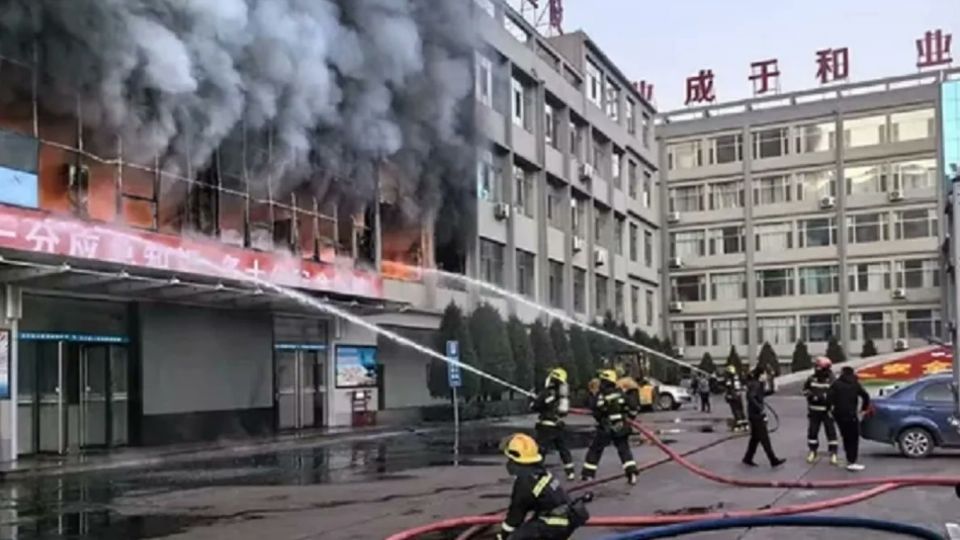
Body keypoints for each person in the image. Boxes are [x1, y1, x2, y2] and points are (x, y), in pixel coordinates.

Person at [497, 433, 590, 539]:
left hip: (551, 526)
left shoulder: (525, 483)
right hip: (566, 520)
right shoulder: (541, 472)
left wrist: (502, 536)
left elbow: (514, 518)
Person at [581, 369, 639, 485]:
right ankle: (631, 474)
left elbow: (594, 408)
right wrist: (629, 420)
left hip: (605, 428)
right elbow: (632, 407)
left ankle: (588, 475)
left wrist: (592, 395)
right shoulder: (620, 392)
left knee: (595, 450)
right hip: (621, 426)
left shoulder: (601, 395)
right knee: (624, 450)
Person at [530, 367, 576, 480]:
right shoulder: (561, 395)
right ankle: (570, 472)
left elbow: (535, 407)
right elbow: (563, 412)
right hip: (558, 425)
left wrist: (531, 399)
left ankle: (536, 471)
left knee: (541, 449)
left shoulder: (546, 393)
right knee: (563, 448)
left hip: (546, 426)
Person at [742, 365, 786, 468]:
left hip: (754, 414)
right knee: (764, 438)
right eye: (765, 373)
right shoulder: (756, 384)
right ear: (761, 375)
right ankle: (773, 460)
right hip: (756, 415)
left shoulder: (758, 384)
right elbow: (750, 397)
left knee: (755, 438)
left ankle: (748, 458)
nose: (766, 375)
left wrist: (772, 390)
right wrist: (759, 408)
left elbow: (761, 395)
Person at [828, 366, 871, 472]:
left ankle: (849, 458)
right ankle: (852, 461)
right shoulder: (855, 384)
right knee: (853, 438)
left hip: (838, 414)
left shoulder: (836, 384)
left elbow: (829, 398)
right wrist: (863, 409)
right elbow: (865, 396)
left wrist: (830, 410)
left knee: (845, 436)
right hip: (851, 415)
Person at [803, 357, 839, 465]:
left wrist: (825, 399)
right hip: (814, 411)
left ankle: (833, 453)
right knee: (812, 432)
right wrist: (811, 396)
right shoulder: (811, 378)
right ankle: (812, 451)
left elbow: (835, 394)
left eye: (819, 367)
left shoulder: (832, 379)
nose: (816, 369)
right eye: (816, 367)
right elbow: (805, 390)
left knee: (831, 432)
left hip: (827, 411)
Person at [723, 364, 748, 432]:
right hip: (739, 396)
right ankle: (745, 425)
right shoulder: (737, 378)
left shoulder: (730, 380)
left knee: (736, 411)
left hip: (733, 397)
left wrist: (728, 395)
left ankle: (739, 425)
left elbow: (728, 387)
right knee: (740, 409)